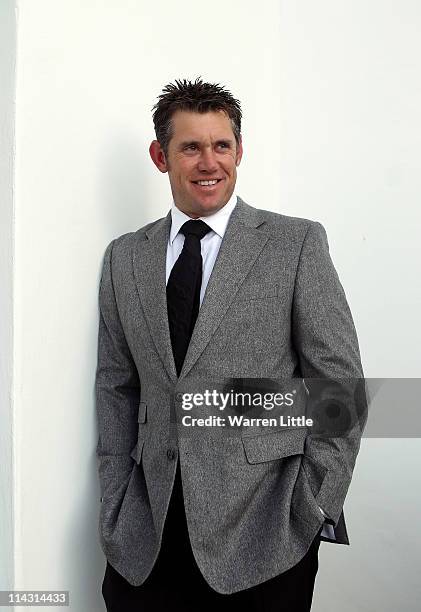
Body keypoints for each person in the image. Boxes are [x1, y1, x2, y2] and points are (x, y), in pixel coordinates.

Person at [95, 77, 366, 611]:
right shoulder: (124, 257)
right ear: (160, 156)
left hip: (265, 535)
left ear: (239, 151)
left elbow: (339, 388)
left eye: (221, 146)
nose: (208, 162)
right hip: (145, 535)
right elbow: (116, 386)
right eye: (190, 147)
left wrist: (311, 507)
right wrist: (115, 499)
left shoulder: (295, 243)